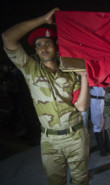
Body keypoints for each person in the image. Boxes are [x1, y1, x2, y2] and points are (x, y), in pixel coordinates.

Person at [2, 8, 91, 185]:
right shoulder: (30, 69)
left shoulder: (71, 71)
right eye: (39, 45)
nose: (43, 48)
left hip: (76, 136)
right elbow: (7, 38)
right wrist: (43, 19)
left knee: (81, 181)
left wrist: (85, 77)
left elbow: (81, 106)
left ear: (55, 46)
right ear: (35, 50)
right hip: (50, 141)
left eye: (47, 44)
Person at [90, 86, 110, 156]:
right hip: (94, 100)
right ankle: (102, 150)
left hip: (106, 99)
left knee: (106, 125)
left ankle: (108, 147)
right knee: (97, 126)